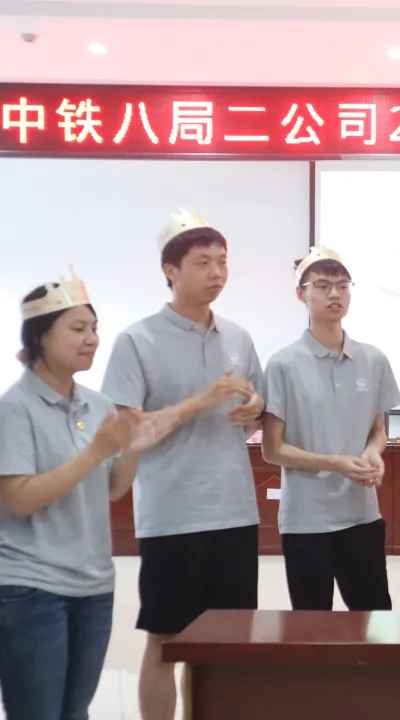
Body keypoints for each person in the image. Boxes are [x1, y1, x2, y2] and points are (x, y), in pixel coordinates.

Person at [101, 210, 265, 720]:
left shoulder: (238, 337)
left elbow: (258, 407)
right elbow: (129, 430)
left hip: (235, 513)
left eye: (223, 261)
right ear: (170, 271)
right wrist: (201, 401)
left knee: (232, 643)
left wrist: (254, 407)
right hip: (172, 516)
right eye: (203, 262)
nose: (217, 272)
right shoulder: (137, 340)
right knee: (166, 640)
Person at [0, 271, 159, 720]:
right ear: (40, 337)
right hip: (31, 587)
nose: (92, 339)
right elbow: (19, 500)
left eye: (94, 328)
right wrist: (96, 452)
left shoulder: (98, 405)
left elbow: (114, 488)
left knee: (75, 713)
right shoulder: (14, 409)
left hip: (93, 585)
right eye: (77, 328)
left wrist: (134, 448)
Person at [262, 246, 400, 611]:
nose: (335, 294)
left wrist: (373, 453)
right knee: (312, 625)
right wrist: (337, 463)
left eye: (342, 285)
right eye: (323, 286)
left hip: (362, 514)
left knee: (375, 620)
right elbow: (272, 449)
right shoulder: (283, 364)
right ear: (301, 294)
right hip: (306, 520)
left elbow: (379, 430)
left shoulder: (373, 359)